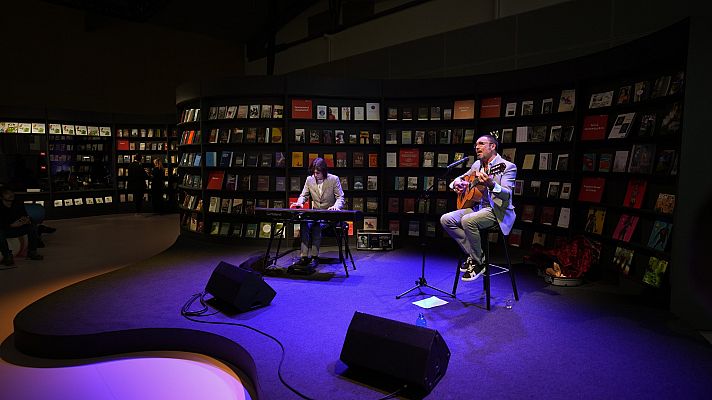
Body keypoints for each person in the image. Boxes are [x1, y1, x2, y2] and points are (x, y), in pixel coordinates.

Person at [440, 134, 517, 281]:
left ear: (492, 146)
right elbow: (462, 178)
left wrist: (492, 184)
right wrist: (456, 183)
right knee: (446, 219)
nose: (477, 147)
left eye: (481, 144)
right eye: (476, 144)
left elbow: (507, 195)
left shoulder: (507, 167)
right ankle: (476, 255)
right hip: (479, 208)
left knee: (468, 220)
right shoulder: (477, 164)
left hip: (497, 211)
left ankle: (478, 263)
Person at [290, 157, 345, 270]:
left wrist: (335, 206)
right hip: (315, 213)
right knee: (304, 224)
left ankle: (315, 257)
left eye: (318, 173)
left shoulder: (333, 179)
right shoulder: (309, 179)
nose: (315, 175)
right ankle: (304, 257)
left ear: (324, 171)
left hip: (329, 215)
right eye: (314, 172)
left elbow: (340, 198)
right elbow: (304, 195)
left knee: (316, 226)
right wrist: (300, 202)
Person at [1, 187, 44, 266]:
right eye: (7, 200)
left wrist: (25, 220)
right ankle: (7, 256)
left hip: (18, 227)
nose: (10, 202)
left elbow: (24, 215)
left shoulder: (17, 204)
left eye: (12, 198)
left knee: (32, 226)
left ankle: (32, 252)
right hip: (5, 229)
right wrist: (11, 225)